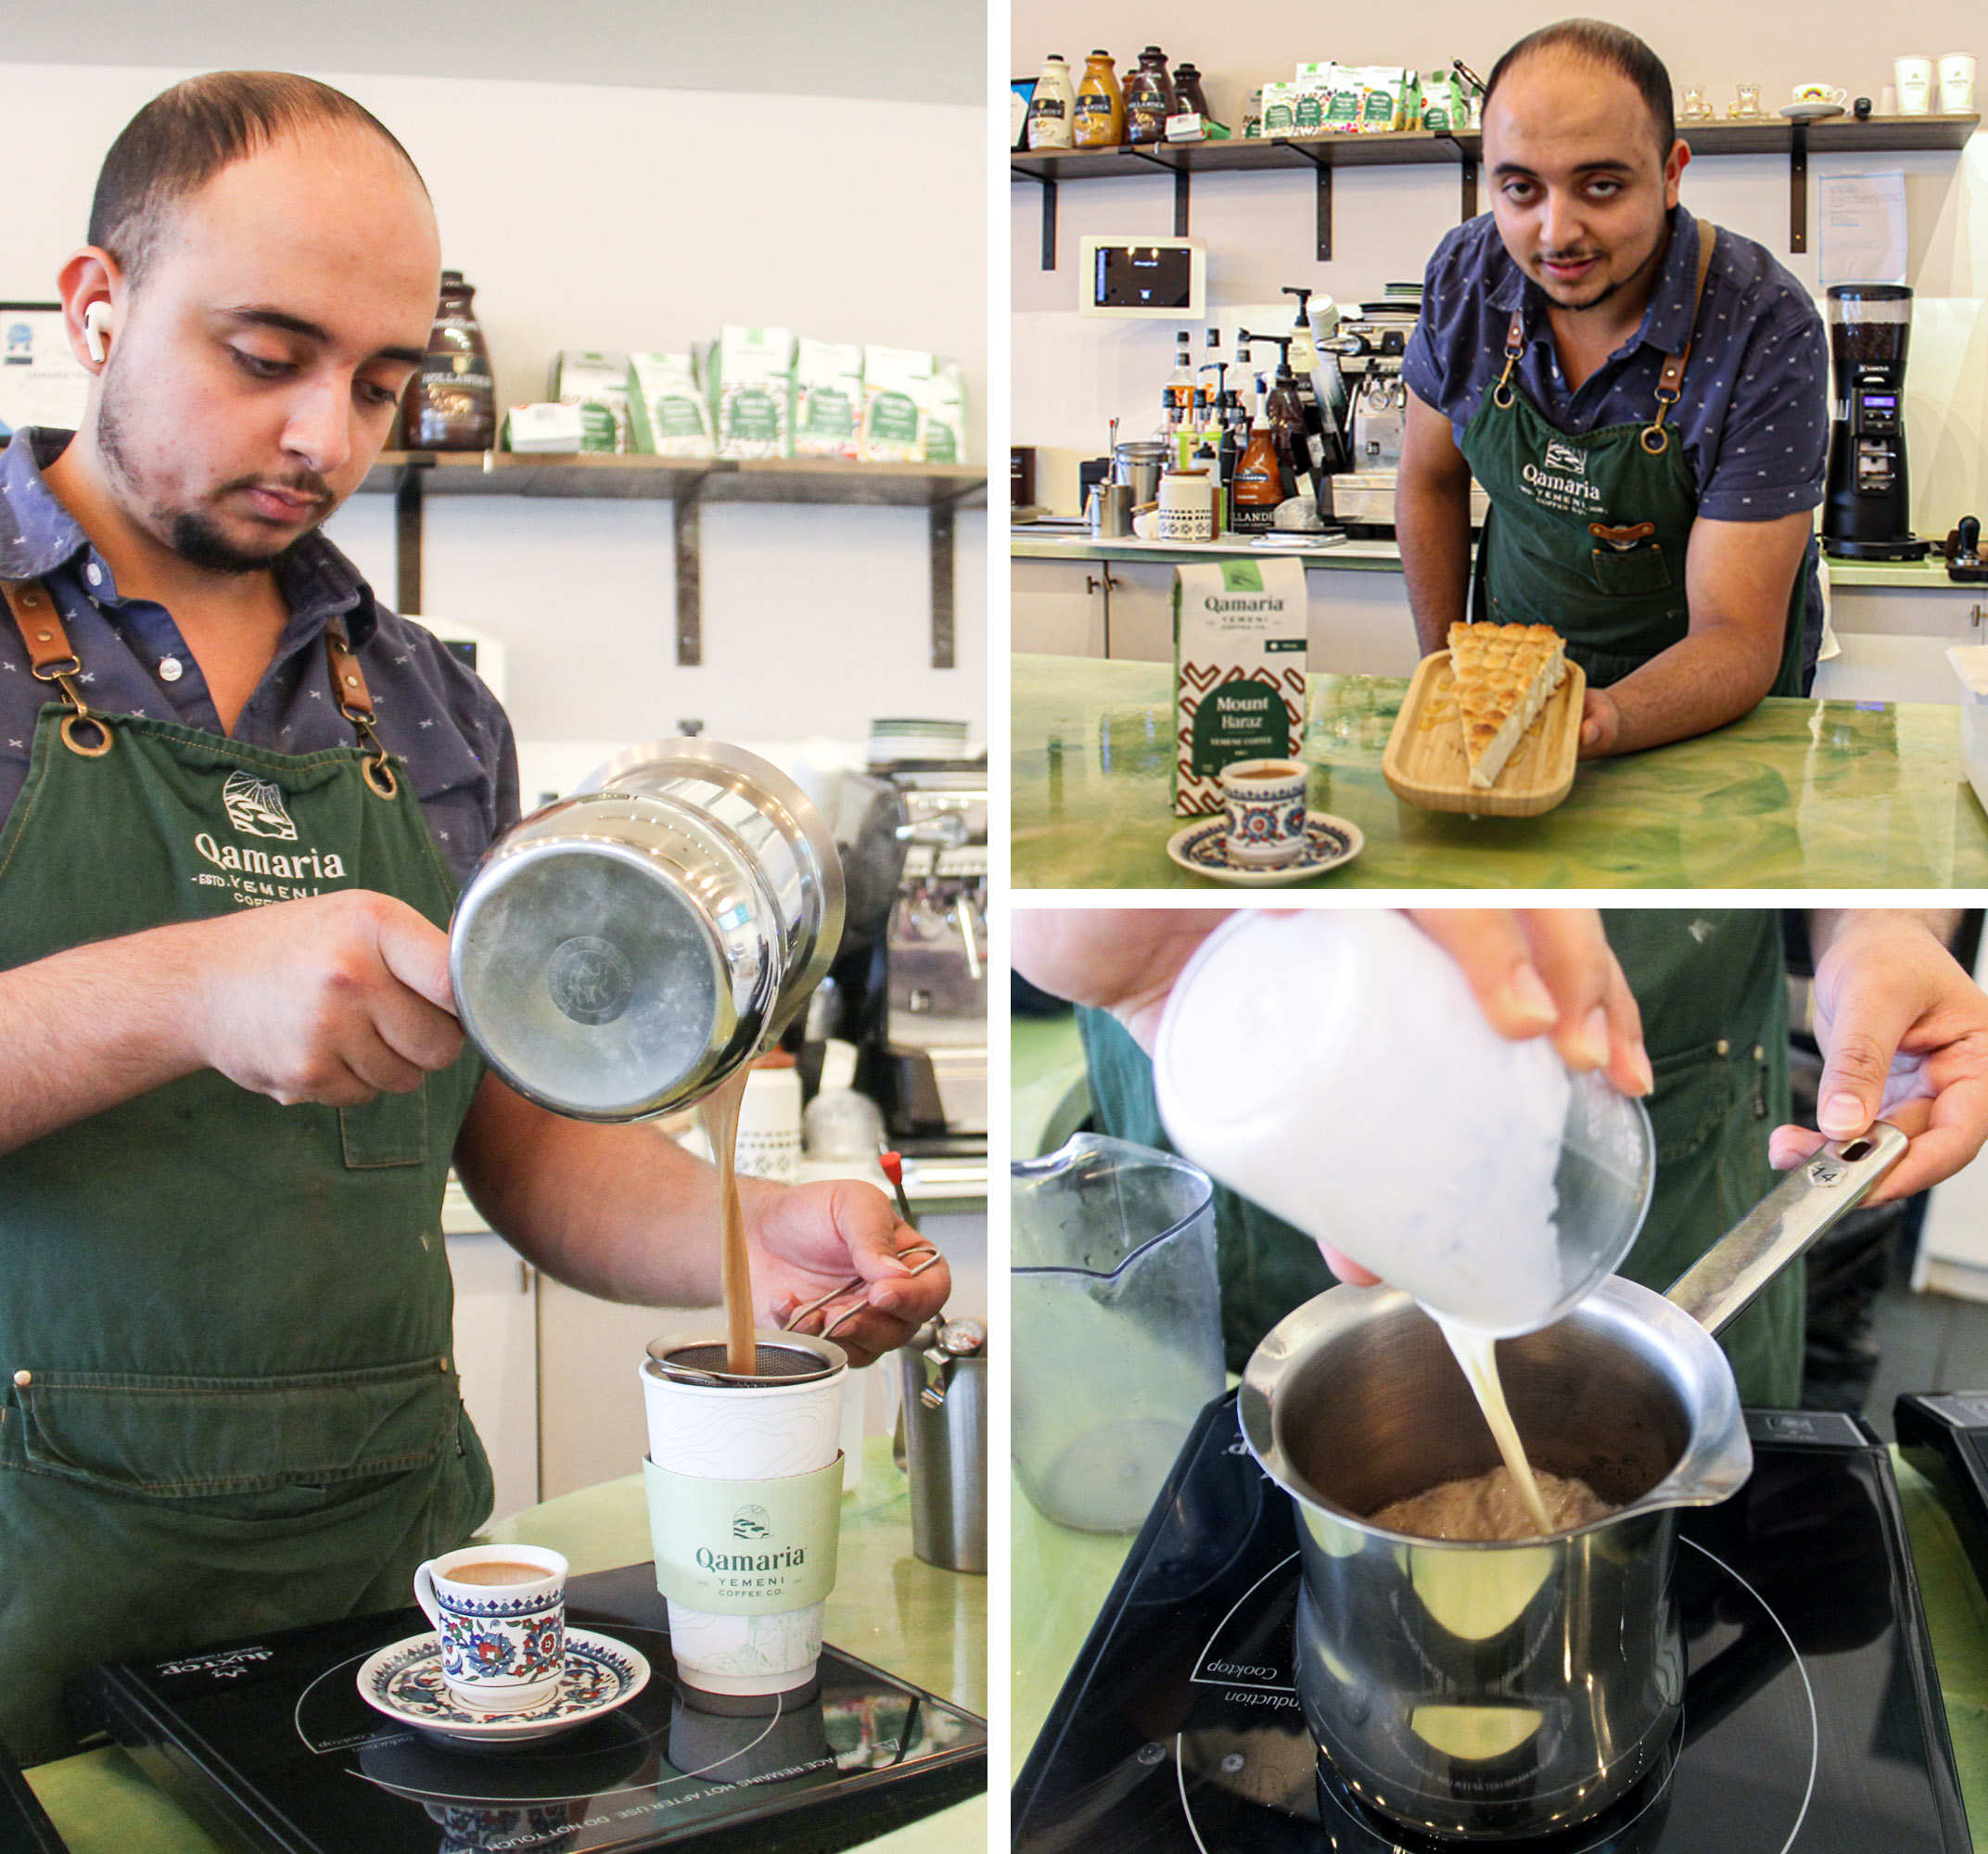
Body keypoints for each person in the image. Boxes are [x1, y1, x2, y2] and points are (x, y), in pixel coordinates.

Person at [0, 72, 946, 1763]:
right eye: (264, 354)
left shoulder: (428, 705)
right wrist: (182, 992)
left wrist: (749, 1236)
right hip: (32, 1602)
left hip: (396, 1599)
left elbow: (515, 1136)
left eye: (378, 382)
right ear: (96, 306)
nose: (326, 440)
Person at [1011, 909, 1988, 1402]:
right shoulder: (1206, 1025)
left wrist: (1880, 922)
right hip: (1222, 1194)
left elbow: (1826, 788)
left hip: (1669, 1139)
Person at [1397, 20, 1829, 757]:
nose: (1556, 232)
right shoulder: (1468, 275)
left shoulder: (1764, 325)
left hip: (1705, 710)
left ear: (1670, 173)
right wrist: (1447, 669)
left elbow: (1735, 633)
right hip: (1509, 685)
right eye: (1520, 188)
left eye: (1601, 185)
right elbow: (1429, 479)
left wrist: (1597, 721)